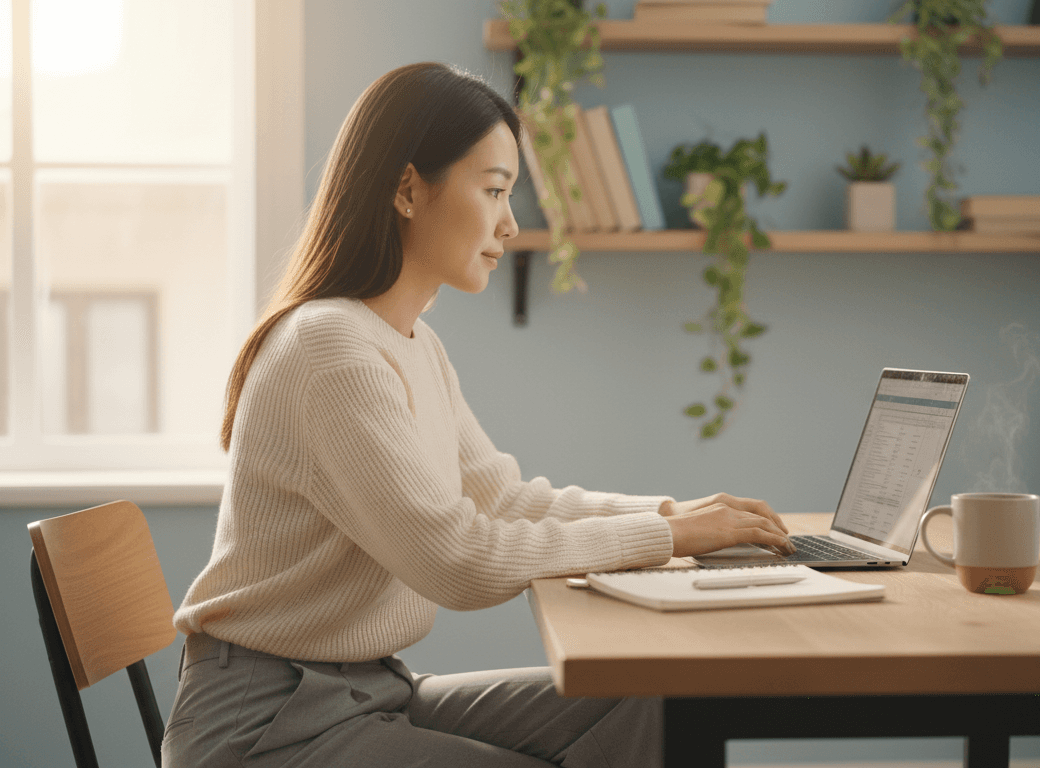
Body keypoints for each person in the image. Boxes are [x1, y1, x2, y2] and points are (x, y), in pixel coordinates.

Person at [163, 62, 795, 768]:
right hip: (267, 728)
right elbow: (457, 560)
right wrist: (666, 535)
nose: (511, 222)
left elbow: (502, 499)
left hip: (368, 691)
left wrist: (675, 517)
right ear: (407, 188)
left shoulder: (411, 343)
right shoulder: (330, 348)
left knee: (650, 696)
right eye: (494, 189)